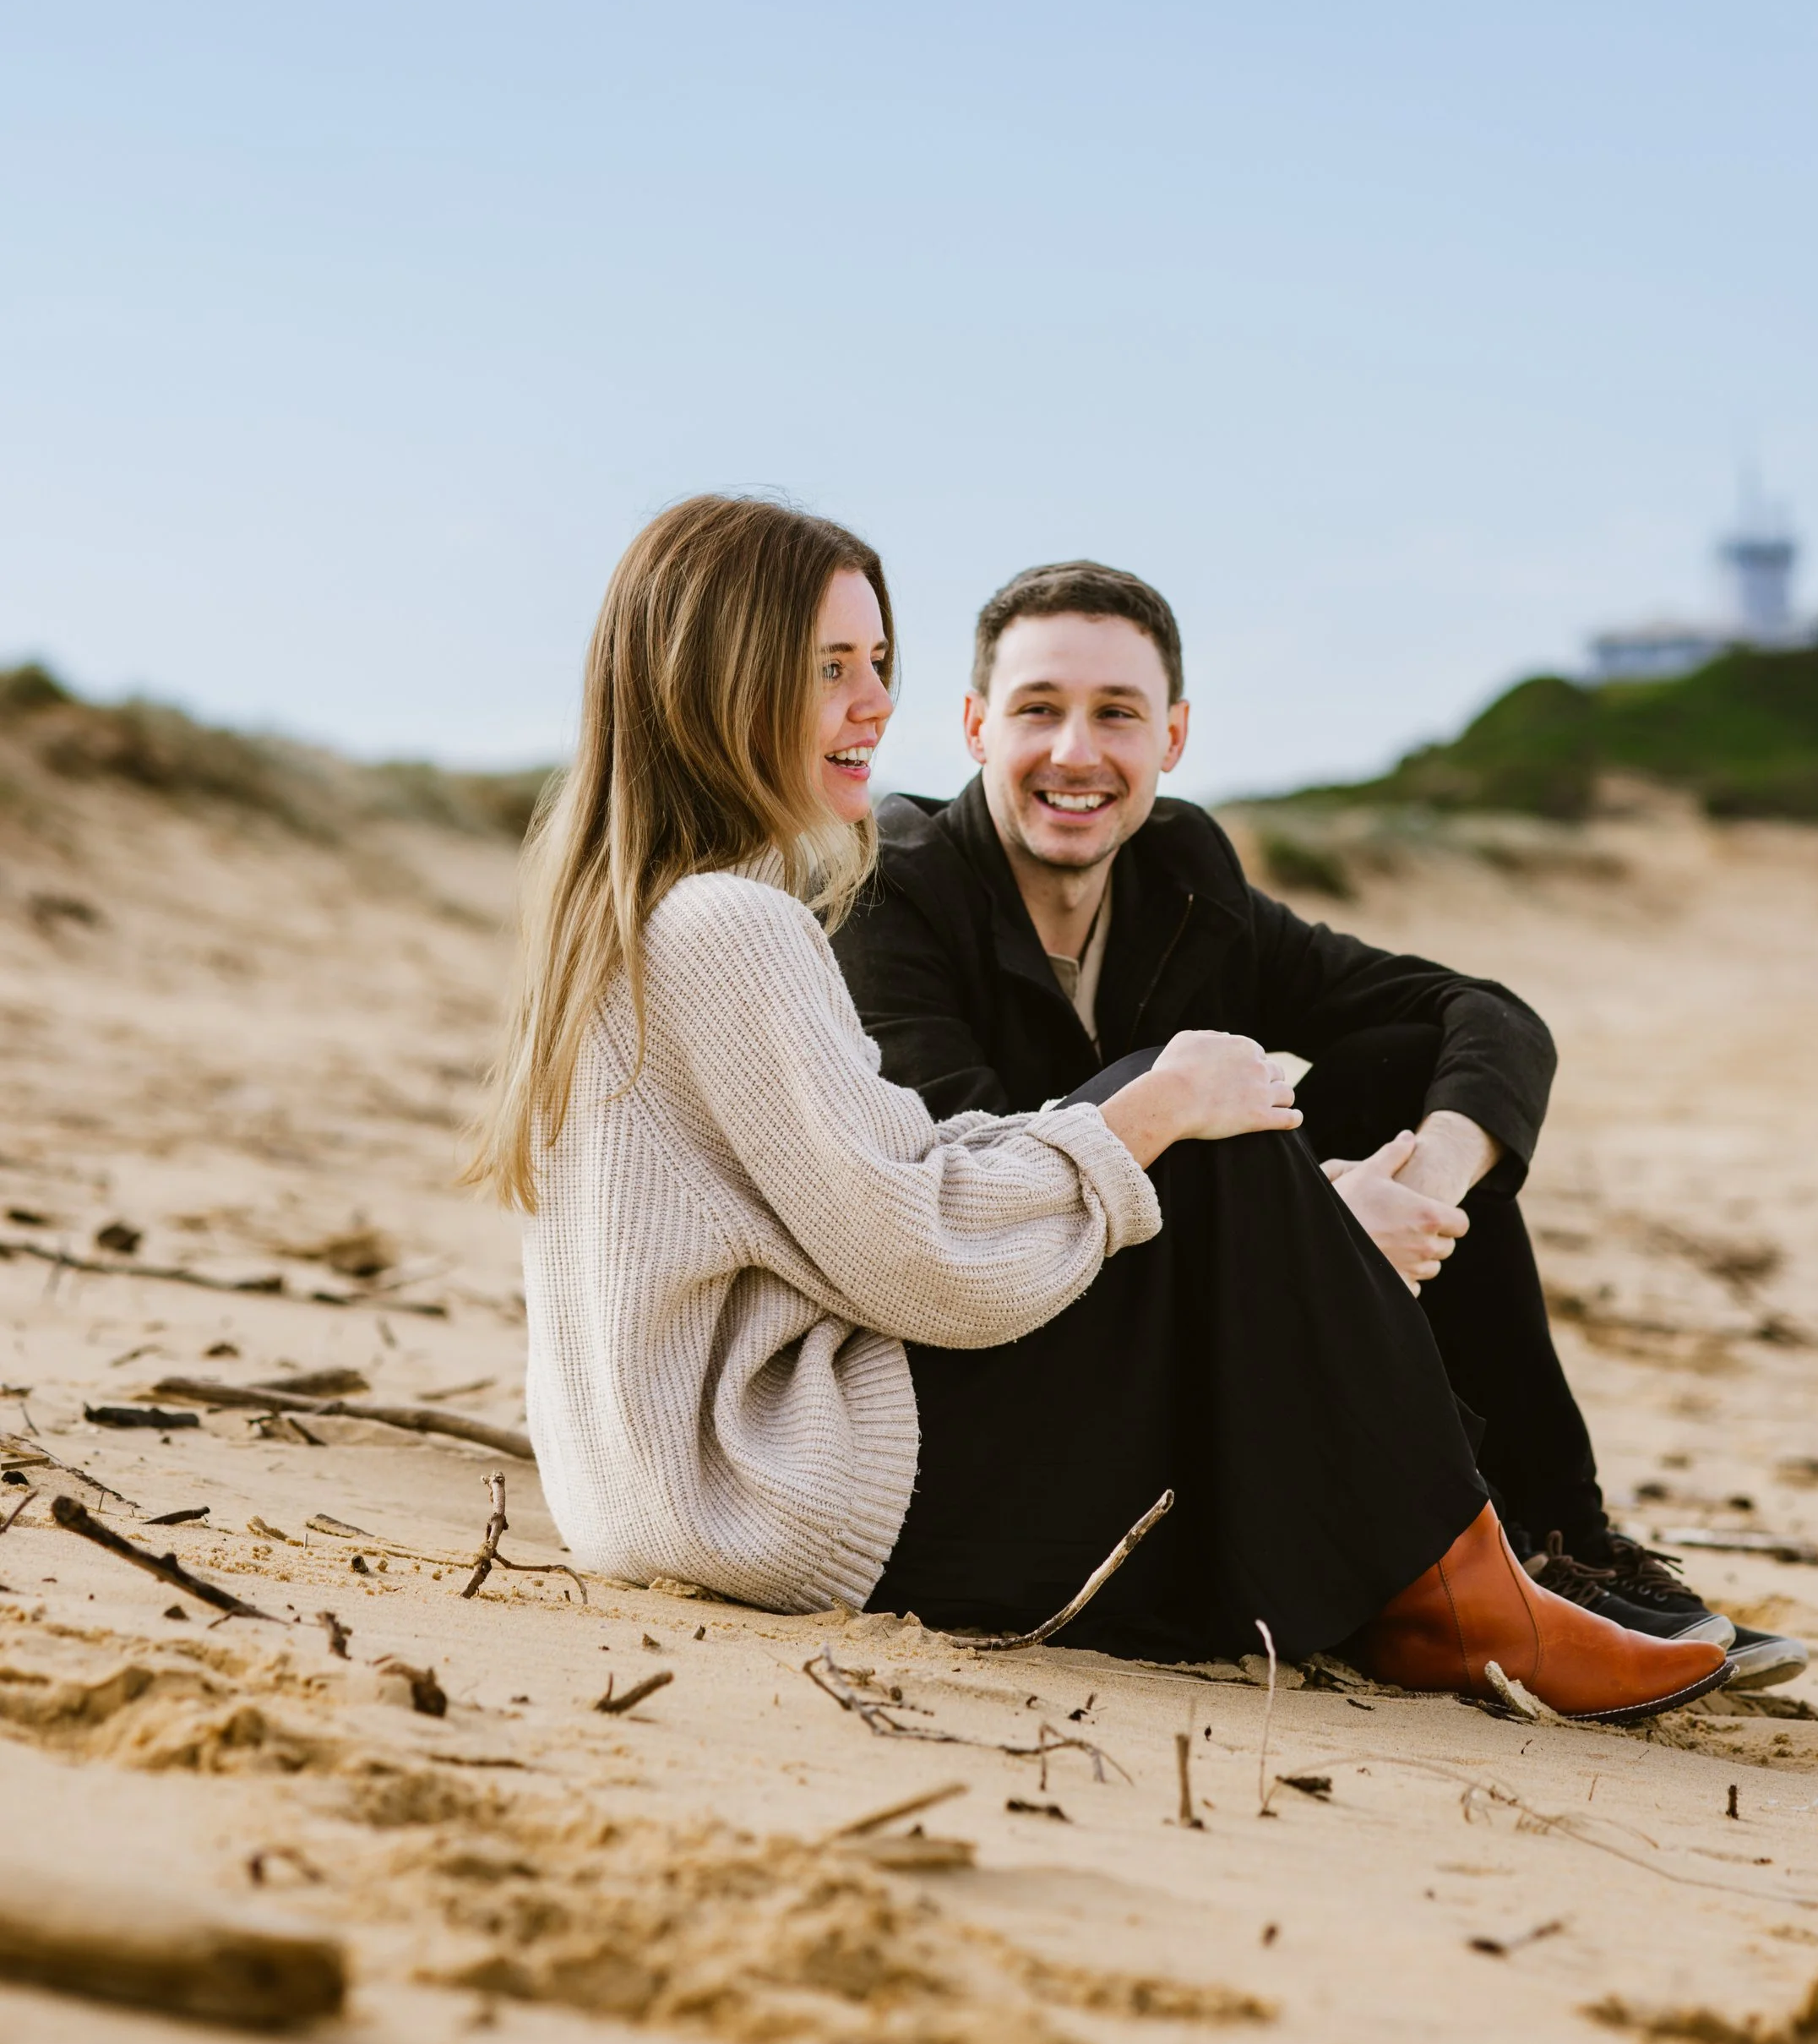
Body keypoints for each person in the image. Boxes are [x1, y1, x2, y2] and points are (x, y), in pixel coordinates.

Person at [472, 493, 1729, 1721]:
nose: (872, 706)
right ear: (719, 684)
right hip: (788, 1500)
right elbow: (918, 1258)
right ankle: (1452, 1590)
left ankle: (1521, 1549)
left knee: (1217, 1110)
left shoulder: (650, 917)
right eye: (827, 670)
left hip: (695, 1495)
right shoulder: (743, 924)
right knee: (1206, 1131)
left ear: (1173, 735)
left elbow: (895, 1175)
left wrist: (1267, 1180)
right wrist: (1187, 1140)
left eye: (878, 663)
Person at [833, 557, 1804, 1690]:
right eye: (1039, 710)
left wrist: (1426, 1178)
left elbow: (1481, 1017)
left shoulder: (1181, 882)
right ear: (975, 727)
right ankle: (1432, 1575)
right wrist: (1312, 1241)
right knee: (1181, 1090)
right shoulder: (894, 891)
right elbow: (980, 1192)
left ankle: (1555, 1542)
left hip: (1186, 1353)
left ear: (1175, 737)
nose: (1076, 753)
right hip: (999, 1382)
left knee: (1396, 1070)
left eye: (1118, 715)